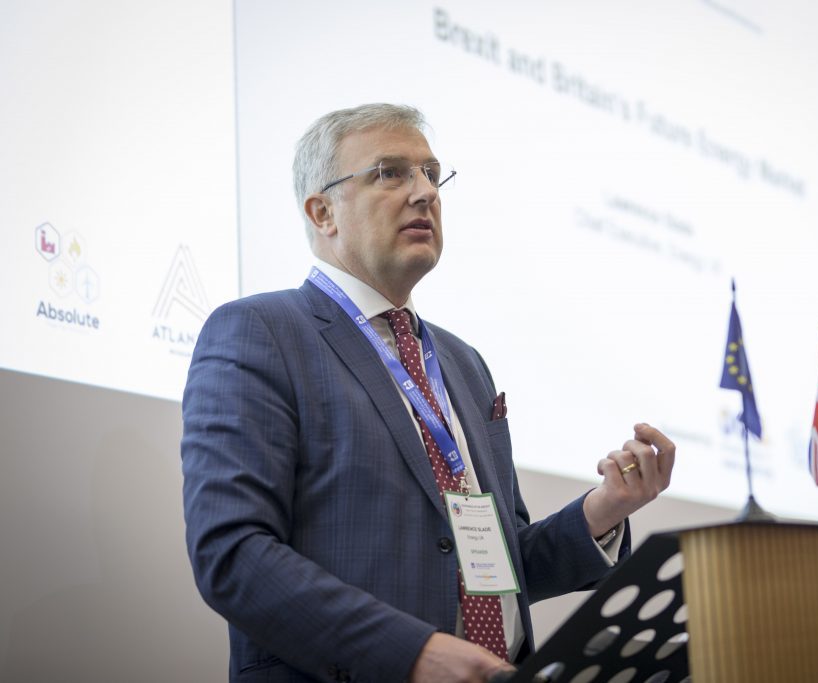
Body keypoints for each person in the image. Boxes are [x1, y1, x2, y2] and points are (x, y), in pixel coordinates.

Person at [181, 103, 676, 683]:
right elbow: (232, 553)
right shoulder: (261, 332)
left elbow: (497, 564)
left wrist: (604, 509)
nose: (424, 193)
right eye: (391, 173)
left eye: (431, 174)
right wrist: (411, 652)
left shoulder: (464, 364)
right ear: (323, 212)